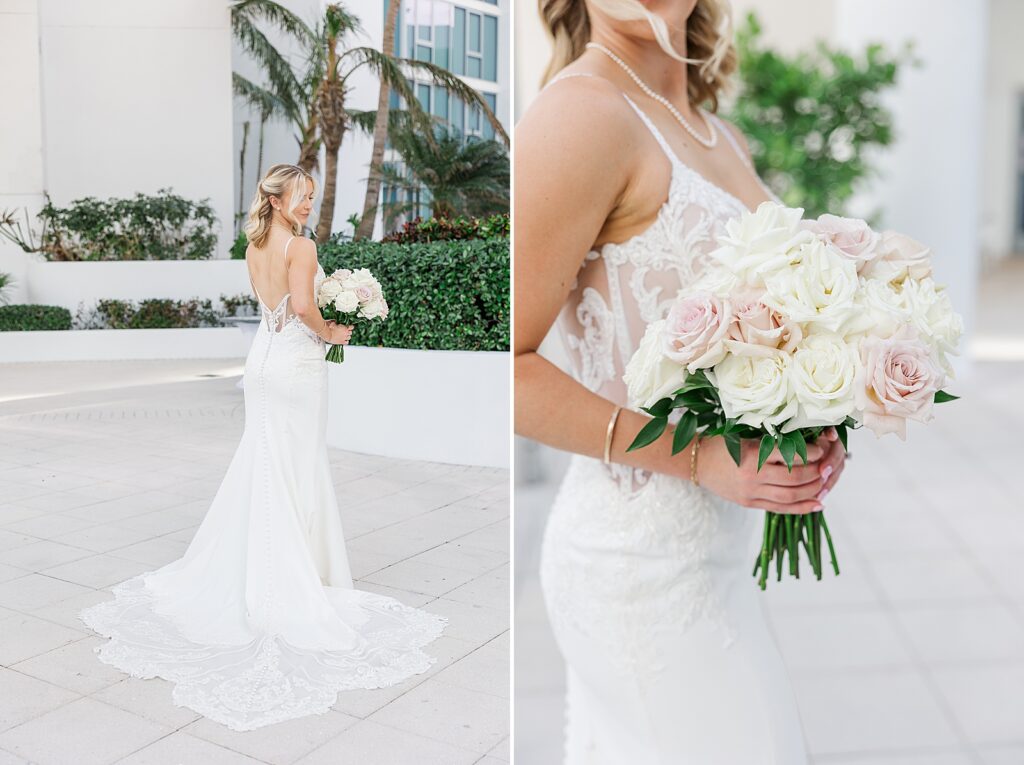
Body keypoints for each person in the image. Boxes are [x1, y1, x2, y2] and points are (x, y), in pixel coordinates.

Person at [515, 1, 848, 761]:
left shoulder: (713, 130)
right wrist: (699, 457)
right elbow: (507, 369)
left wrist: (820, 410)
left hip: (717, 558)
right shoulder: (581, 116)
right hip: (640, 569)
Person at [79, 163, 446, 731]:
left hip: (263, 364)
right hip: (297, 367)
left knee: (268, 464)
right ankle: (295, 581)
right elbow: (302, 310)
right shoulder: (299, 247)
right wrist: (335, 332)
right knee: (295, 466)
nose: (307, 205)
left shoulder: (253, 249)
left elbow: (274, 308)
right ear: (275, 200)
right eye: (301, 196)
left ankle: (275, 568)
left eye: (312, 197)